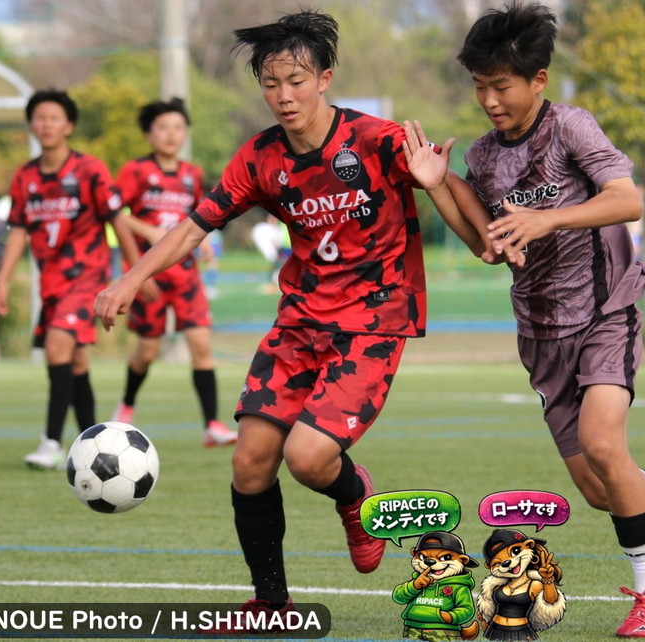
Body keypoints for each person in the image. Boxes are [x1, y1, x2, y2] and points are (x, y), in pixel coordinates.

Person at [94, 9, 485, 622]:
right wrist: (131, 277)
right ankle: (270, 603)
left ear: (324, 79)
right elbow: (195, 226)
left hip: (372, 324)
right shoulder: (260, 158)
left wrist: (439, 186)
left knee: (307, 459)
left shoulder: (377, 140)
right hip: (300, 323)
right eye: (271, 84)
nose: (284, 96)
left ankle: (356, 496)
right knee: (249, 462)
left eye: (297, 81)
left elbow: (470, 225)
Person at [401, 3, 645, 637]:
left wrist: (549, 218)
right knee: (599, 488)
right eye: (479, 86)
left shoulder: (570, 127)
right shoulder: (483, 157)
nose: (489, 100)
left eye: (501, 86)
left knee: (604, 444)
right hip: (540, 332)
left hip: (605, 310)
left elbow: (627, 199)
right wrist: (437, 184)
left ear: (538, 79)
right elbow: (488, 245)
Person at [0, 89, 152, 470]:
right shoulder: (25, 177)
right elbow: (18, 232)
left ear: (69, 126)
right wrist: (2, 281)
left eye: (55, 118)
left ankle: (50, 442)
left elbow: (118, 222)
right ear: (31, 126)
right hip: (51, 285)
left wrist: (135, 274)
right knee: (76, 363)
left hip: (87, 279)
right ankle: (92, 445)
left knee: (57, 347)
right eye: (40, 118)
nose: (47, 124)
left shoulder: (90, 170)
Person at [110, 97, 236, 448]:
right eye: (163, 127)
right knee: (147, 352)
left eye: (178, 127)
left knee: (201, 346)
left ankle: (212, 425)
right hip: (150, 277)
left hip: (185, 276)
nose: (171, 134)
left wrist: (205, 241)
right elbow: (116, 214)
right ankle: (126, 407)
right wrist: (149, 234)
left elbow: (200, 217)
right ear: (149, 134)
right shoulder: (136, 171)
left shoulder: (191, 174)